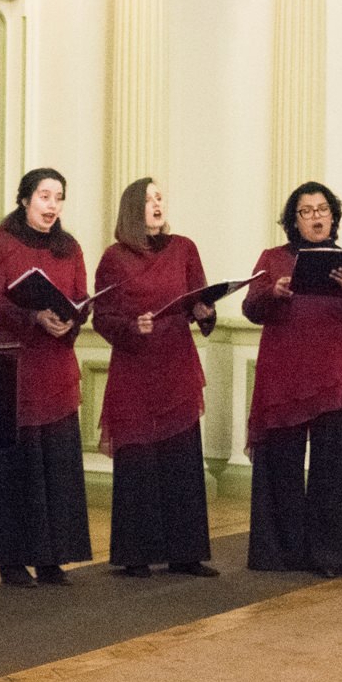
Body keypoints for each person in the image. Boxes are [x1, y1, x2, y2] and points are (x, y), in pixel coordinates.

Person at [242, 182, 342, 577]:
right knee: (280, 465)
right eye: (306, 211)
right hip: (284, 376)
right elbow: (251, 308)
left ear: (333, 216)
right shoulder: (273, 257)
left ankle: (333, 555)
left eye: (322, 209)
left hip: (334, 375)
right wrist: (274, 291)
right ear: (294, 220)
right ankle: (279, 553)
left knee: (335, 470)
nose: (316, 216)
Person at [91, 178, 218, 578]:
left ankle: (187, 553)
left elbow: (201, 299)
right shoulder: (114, 257)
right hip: (135, 367)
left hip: (176, 363)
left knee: (182, 459)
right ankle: (136, 555)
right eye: (148, 200)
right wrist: (133, 325)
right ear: (133, 209)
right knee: (139, 461)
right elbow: (103, 316)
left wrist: (205, 313)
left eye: (160, 197)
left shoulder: (184, 248)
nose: (157, 204)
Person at [0, 168, 91, 586]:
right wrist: (32, 316)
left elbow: (81, 298)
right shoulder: (3, 243)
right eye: (44, 196)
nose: (52, 205)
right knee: (17, 467)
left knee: (56, 464)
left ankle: (52, 558)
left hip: (57, 364)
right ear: (25, 199)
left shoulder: (71, 246)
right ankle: (11, 560)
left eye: (59, 197)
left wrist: (70, 321)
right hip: (18, 366)